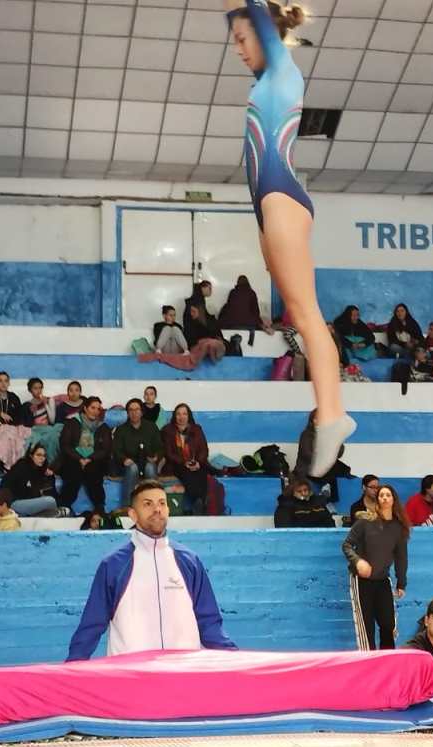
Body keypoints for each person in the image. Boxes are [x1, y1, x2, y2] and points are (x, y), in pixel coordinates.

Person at [225, 0, 355, 478]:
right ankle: (331, 413)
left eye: (243, 39)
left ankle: (332, 414)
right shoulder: (264, 80)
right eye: (234, 40)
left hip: (280, 199)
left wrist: (244, 10)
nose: (238, 48)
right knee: (295, 315)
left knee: (306, 316)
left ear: (267, 33)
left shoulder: (282, 67)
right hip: (270, 204)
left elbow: (245, 7)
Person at [66, 480, 237, 661]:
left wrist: (237, 663)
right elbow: (91, 625)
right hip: (132, 679)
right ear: (132, 514)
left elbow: (210, 623)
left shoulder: (189, 561)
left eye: (162, 503)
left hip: (182, 677)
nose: (157, 509)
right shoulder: (114, 565)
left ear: (168, 510)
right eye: (148, 504)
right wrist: (72, 666)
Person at [343, 484, 410, 650]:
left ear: (394, 499)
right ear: (378, 500)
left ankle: (387, 663)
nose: (385, 498)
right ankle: (369, 663)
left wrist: (401, 582)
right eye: (381, 495)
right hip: (362, 580)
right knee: (367, 628)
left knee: (388, 624)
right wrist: (357, 561)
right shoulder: (365, 522)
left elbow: (401, 557)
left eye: (388, 495)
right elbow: (347, 545)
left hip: (382, 580)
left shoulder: (398, 528)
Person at [59, 396, 112, 515]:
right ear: (85, 408)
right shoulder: (72, 423)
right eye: (92, 408)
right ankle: (64, 506)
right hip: (73, 457)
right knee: (73, 471)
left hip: (94, 459)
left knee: (94, 471)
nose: (95, 411)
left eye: (98, 409)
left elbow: (106, 449)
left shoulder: (103, 427)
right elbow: (65, 444)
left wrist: (90, 458)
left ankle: (99, 506)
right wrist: (79, 459)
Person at [161, 403, 210, 514]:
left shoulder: (197, 429)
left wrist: (198, 462)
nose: (181, 417)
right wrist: (184, 462)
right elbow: (169, 453)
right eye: (178, 414)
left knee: (202, 472)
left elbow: (204, 449)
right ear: (174, 416)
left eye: (184, 414)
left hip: (195, 462)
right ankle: (198, 502)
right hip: (176, 464)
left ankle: (201, 503)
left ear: (189, 416)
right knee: (187, 473)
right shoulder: (168, 430)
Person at [113, 398, 163, 507]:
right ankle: (127, 506)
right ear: (127, 413)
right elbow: (116, 450)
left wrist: (156, 457)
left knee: (150, 468)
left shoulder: (151, 427)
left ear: (142, 412)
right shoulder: (121, 430)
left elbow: (160, 447)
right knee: (132, 468)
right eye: (130, 410)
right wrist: (124, 459)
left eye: (137, 410)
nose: (134, 413)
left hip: (147, 461)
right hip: (128, 464)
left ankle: (155, 505)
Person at [294, 409, 344, 502]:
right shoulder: (306, 435)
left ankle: (328, 497)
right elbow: (307, 454)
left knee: (338, 465)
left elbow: (339, 453)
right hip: (308, 469)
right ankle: (325, 494)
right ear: (314, 420)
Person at [0, 444, 59, 517]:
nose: (42, 458)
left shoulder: (40, 470)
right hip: (14, 503)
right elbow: (7, 486)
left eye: (44, 456)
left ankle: (28, 516)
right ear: (31, 456)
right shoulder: (21, 466)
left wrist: (51, 477)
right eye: (38, 455)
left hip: (27, 503)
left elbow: (52, 493)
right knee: (50, 501)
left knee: (51, 509)